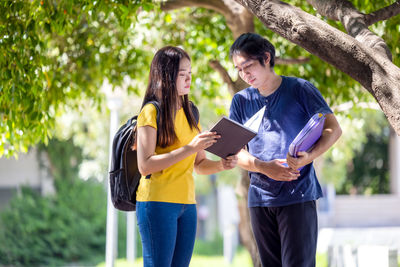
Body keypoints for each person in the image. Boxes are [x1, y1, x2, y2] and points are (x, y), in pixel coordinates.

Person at [228, 33, 342, 267]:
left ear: (266, 58)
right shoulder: (240, 101)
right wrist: (262, 167)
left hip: (297, 196)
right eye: (239, 69)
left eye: (248, 66)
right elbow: (234, 152)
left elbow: (333, 128)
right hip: (260, 200)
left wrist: (308, 157)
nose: (244, 74)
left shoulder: (300, 89)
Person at [136, 46, 238, 267]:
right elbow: (145, 165)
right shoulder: (150, 112)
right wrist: (190, 148)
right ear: (165, 75)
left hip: (187, 204)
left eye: (190, 72)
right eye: (182, 73)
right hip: (157, 202)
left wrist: (221, 165)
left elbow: (199, 164)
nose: (188, 78)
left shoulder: (191, 112)